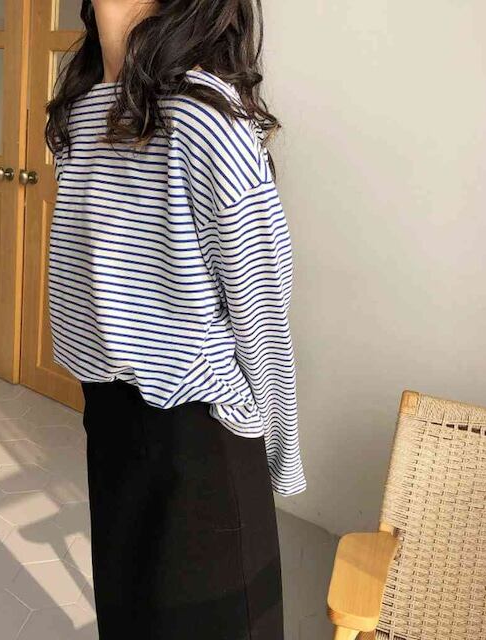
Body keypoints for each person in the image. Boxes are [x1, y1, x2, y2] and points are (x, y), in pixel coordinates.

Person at [45, 1, 306, 638]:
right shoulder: (80, 105)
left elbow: (261, 306)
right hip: (110, 416)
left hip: (201, 437)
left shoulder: (203, 116)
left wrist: (277, 449)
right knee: (127, 618)